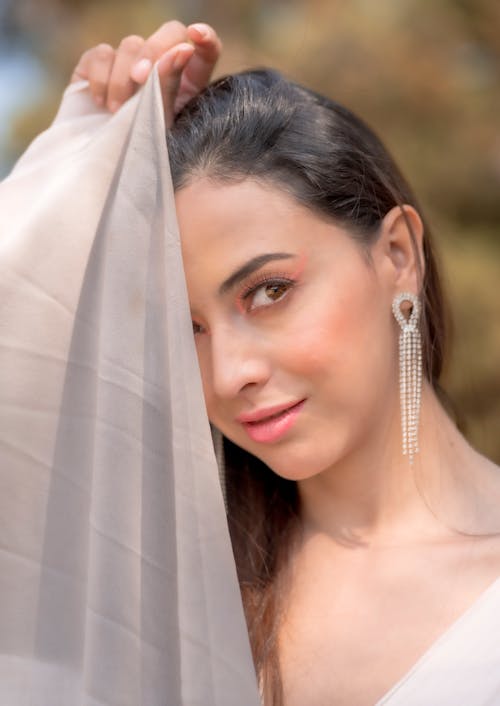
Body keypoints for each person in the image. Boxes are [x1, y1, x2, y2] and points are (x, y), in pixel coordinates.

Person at [48, 19, 500, 706]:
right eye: (184, 328)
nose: (229, 375)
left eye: (268, 292)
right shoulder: (169, 604)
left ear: (398, 256)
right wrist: (69, 171)